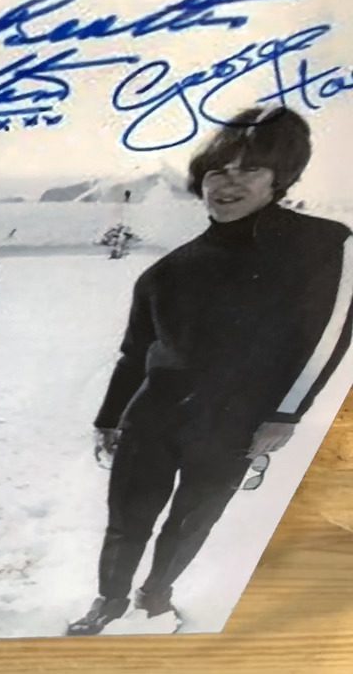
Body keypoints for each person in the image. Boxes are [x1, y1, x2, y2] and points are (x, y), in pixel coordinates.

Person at [68, 106, 353, 635]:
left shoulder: (323, 244)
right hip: (153, 417)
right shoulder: (165, 272)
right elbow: (134, 355)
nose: (228, 183)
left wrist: (285, 414)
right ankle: (108, 603)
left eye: (250, 169)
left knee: (192, 519)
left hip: (235, 420)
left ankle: (156, 597)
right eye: (218, 171)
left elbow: (330, 335)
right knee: (127, 519)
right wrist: (108, 419)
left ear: (280, 179)